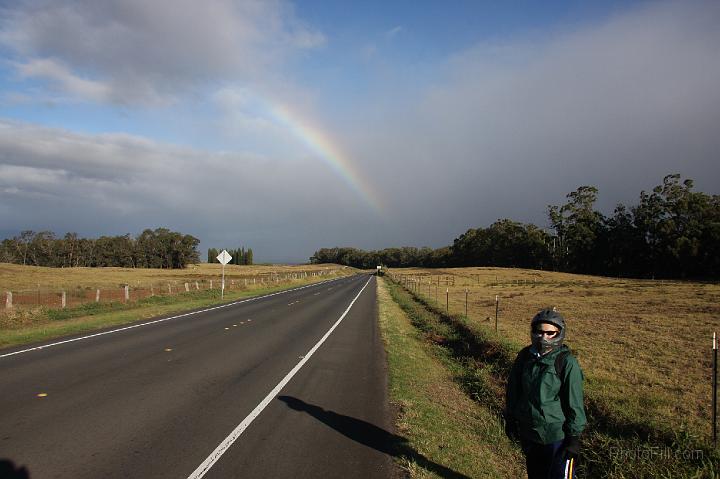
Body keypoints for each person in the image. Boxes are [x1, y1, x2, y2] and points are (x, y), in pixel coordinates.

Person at [504, 308, 587, 479]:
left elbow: (574, 403)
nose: (544, 337)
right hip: (529, 433)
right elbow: (514, 389)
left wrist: (574, 439)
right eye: (539, 332)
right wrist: (511, 418)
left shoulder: (566, 363)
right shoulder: (525, 356)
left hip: (556, 437)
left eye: (550, 333)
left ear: (559, 333)